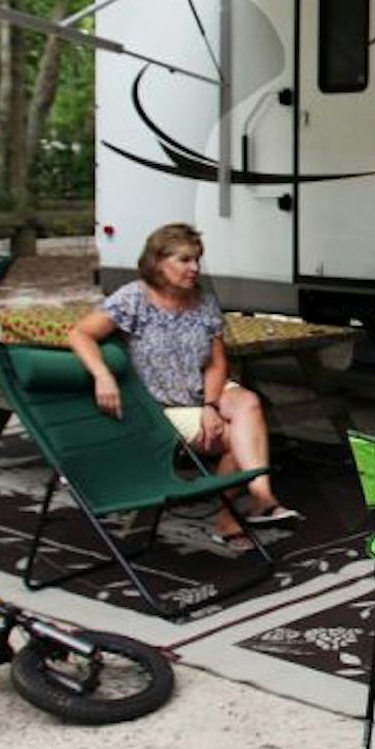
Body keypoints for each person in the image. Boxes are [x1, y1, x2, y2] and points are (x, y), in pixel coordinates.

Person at [66, 222, 298, 547]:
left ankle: (261, 496)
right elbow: (79, 334)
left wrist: (211, 406)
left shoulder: (203, 302)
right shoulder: (134, 299)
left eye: (197, 260)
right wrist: (103, 376)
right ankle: (230, 518)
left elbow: (218, 363)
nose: (195, 268)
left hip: (201, 392)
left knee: (248, 403)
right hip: (161, 405)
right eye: (185, 260)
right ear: (158, 262)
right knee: (236, 440)